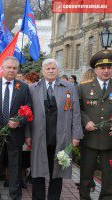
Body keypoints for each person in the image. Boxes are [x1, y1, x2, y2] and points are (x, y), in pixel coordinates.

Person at [26, 58, 83, 200]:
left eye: (53, 68)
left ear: (58, 70)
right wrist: (27, 135)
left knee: (57, 171)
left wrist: (76, 135)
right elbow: (27, 113)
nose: (51, 71)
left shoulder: (69, 87)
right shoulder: (33, 88)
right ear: (42, 71)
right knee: (38, 171)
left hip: (61, 136)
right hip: (39, 136)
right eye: (48, 68)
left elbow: (76, 113)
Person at [0, 57, 32, 200]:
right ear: (3, 68)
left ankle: (15, 195)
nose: (11, 70)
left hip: (15, 135)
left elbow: (29, 109)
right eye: (8, 67)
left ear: (17, 70)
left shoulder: (23, 87)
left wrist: (19, 122)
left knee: (15, 167)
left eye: (14, 68)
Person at [78, 50, 112, 200]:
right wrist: (86, 121)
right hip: (89, 139)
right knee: (86, 175)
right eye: (102, 68)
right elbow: (78, 110)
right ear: (95, 70)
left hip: (109, 140)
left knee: (109, 177)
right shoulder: (83, 87)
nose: (106, 71)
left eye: (109, 67)